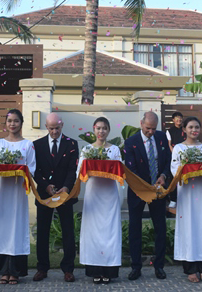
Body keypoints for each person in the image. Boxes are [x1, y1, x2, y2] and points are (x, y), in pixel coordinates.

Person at [0, 109, 36, 285]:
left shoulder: (28, 145)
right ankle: (2, 271)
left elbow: (31, 168)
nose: (12, 124)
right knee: (1, 230)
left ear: (21, 123)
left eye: (16, 121)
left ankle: (15, 271)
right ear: (5, 124)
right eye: (9, 121)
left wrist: (19, 171)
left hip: (17, 194)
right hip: (2, 193)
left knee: (16, 230)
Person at [124, 111, 172, 281]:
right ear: (141, 123)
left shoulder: (161, 138)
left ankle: (159, 266)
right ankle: (136, 267)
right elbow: (131, 170)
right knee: (134, 230)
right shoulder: (131, 142)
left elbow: (168, 161)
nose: (151, 132)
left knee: (160, 229)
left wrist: (164, 176)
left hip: (158, 191)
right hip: (138, 192)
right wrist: (145, 187)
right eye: (148, 128)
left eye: (153, 128)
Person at [32, 113, 79, 283]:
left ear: (62, 125)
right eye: (51, 128)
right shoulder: (36, 145)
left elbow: (73, 170)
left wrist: (66, 187)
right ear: (46, 127)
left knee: (68, 231)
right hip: (45, 194)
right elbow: (34, 170)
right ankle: (42, 268)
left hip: (64, 195)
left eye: (57, 128)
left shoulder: (72, 144)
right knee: (42, 232)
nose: (54, 132)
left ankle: (68, 269)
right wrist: (45, 185)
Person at [171, 116, 202, 283]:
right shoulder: (178, 148)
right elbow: (174, 169)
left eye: (196, 127)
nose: (194, 130)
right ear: (184, 129)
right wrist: (188, 168)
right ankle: (190, 268)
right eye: (190, 127)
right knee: (188, 227)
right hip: (187, 192)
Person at [78, 117, 122, 284]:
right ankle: (95, 270)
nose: (101, 131)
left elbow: (119, 170)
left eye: (104, 128)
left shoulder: (115, 149)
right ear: (94, 129)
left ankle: (109, 270)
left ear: (109, 130)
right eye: (98, 128)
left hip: (110, 196)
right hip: (93, 195)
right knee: (93, 232)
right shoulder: (87, 150)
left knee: (109, 231)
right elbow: (80, 172)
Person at [164, 112, 183, 213]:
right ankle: (173, 200)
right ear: (173, 120)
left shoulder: (185, 129)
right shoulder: (169, 131)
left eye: (180, 118)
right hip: (175, 157)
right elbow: (169, 144)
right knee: (173, 179)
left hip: (185, 157)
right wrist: (176, 154)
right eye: (176, 118)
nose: (179, 120)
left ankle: (183, 199)